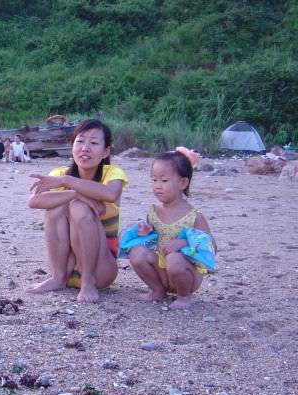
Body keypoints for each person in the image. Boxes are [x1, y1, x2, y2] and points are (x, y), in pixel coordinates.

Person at [27, 119, 129, 303]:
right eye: (80, 141)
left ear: (105, 152)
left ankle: (87, 282)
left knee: (78, 207)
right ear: (72, 146)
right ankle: (57, 278)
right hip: (65, 268)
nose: (85, 148)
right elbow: (34, 201)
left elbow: (110, 194)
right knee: (57, 206)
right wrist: (76, 193)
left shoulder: (112, 173)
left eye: (94, 143)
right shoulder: (59, 173)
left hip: (99, 271)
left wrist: (67, 182)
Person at [129, 147, 216, 309]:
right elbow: (152, 241)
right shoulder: (153, 211)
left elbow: (210, 245)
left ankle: (184, 296)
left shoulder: (194, 216)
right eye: (154, 180)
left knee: (174, 259)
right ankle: (157, 290)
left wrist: (184, 242)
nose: (157, 186)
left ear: (183, 183)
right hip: (161, 270)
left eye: (164, 181)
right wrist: (144, 232)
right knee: (137, 252)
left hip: (185, 273)